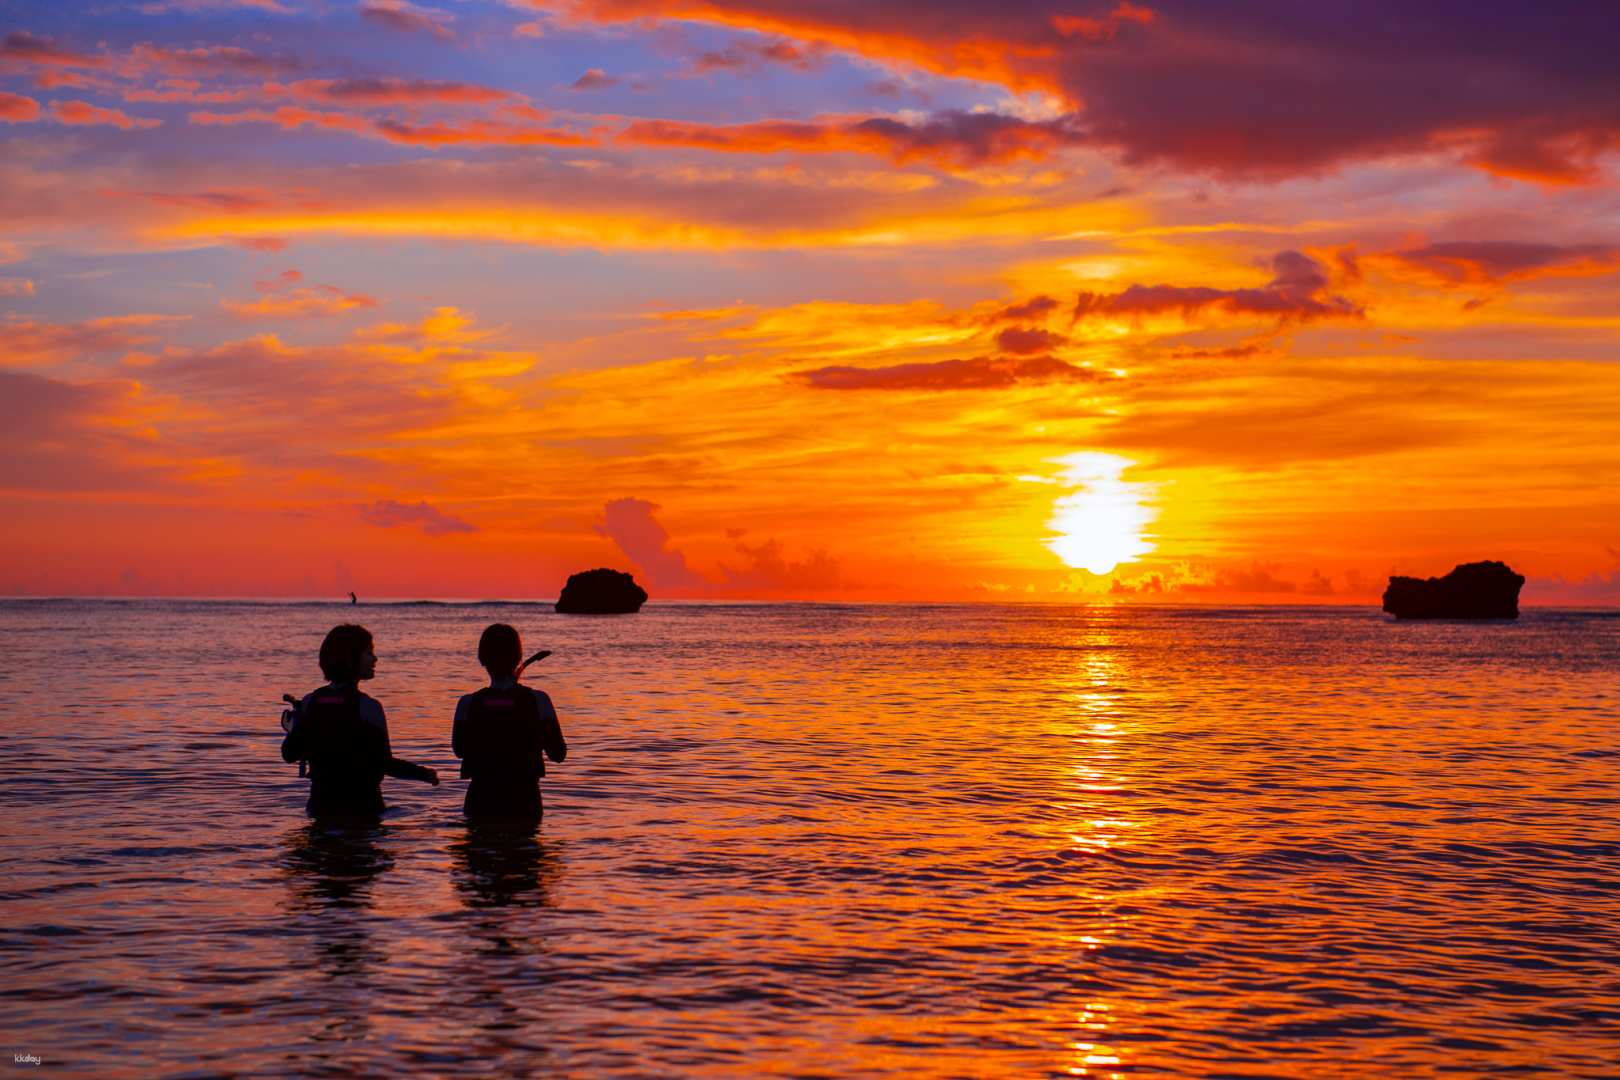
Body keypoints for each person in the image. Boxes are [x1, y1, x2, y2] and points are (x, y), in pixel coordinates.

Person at [282, 624, 438, 819]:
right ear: (350, 659)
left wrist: (294, 727)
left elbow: (288, 754)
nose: (375, 658)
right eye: (369, 652)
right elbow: (384, 763)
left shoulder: (309, 702)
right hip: (363, 808)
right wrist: (424, 774)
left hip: (320, 807)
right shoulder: (368, 707)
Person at [452, 623, 567, 824]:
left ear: (482, 659)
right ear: (518, 658)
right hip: (524, 802)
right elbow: (558, 754)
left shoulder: (467, 703)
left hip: (481, 801)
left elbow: (460, 750)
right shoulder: (539, 700)